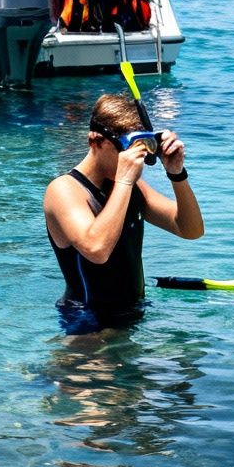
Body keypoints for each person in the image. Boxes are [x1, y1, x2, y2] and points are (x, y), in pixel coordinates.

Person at [44, 93, 202, 334]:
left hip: (133, 315)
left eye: (144, 147)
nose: (136, 161)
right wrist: (125, 181)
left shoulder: (129, 187)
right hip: (88, 323)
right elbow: (96, 249)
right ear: (96, 141)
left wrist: (177, 174)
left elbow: (190, 230)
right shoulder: (64, 190)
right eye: (129, 149)